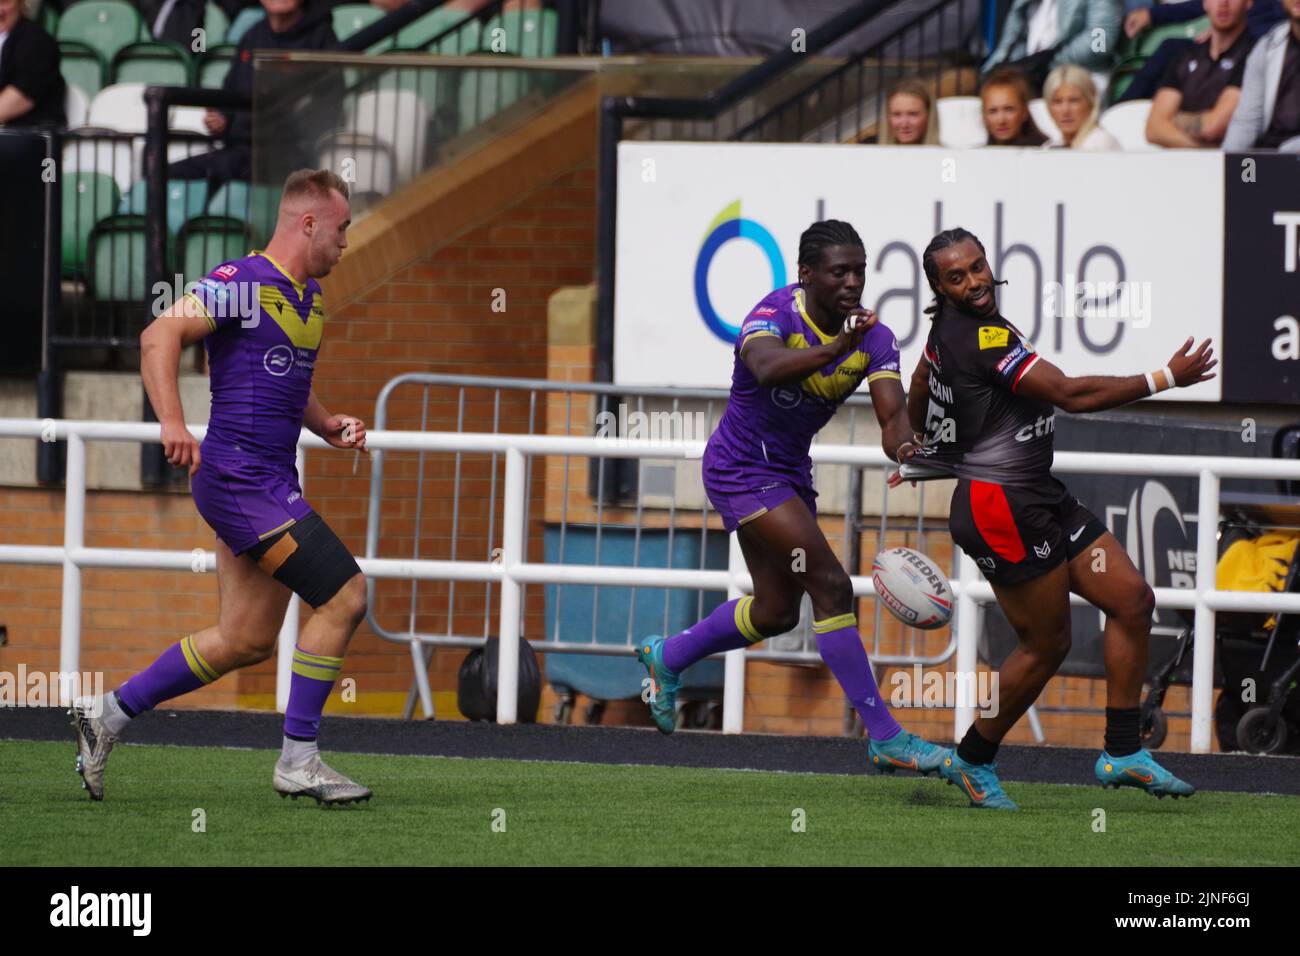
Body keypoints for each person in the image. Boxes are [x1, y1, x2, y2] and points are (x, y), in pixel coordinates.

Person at [70, 169, 374, 806]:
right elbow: (158, 334)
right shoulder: (244, 283)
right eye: (342, 228)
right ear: (309, 224)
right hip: (240, 479)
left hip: (267, 480)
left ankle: (107, 714)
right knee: (345, 594)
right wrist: (173, 422)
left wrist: (326, 424)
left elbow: (286, 383)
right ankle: (299, 761)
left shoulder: (311, 298)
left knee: (246, 639)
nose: (347, 242)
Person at [896, 228, 1214, 810]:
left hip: (1037, 494)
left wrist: (925, 447)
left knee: (1132, 600)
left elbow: (922, 385)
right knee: (1046, 645)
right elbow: (1070, 394)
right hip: (1001, 510)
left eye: (977, 266)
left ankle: (1123, 752)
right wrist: (1166, 377)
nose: (974, 281)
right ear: (939, 288)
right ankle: (972, 759)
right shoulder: (980, 336)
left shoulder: (948, 331)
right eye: (957, 277)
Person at [633, 220, 947, 776]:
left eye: (859, 271)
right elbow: (766, 366)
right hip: (740, 468)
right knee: (831, 585)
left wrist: (907, 451)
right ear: (806, 275)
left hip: (788, 475)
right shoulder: (775, 313)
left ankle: (668, 656)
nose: (853, 282)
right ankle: (886, 736)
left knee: (776, 612)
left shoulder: (875, 339)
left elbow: (892, 420)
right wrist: (837, 346)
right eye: (839, 272)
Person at [168, 0, 339, 194]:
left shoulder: (322, 37)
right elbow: (230, 93)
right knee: (164, 171)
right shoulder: (252, 35)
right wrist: (223, 119)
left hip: (289, 155)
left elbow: (328, 106)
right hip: (240, 151)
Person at [1116, 0, 1280, 104]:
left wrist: (1232, 27)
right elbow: (1203, 4)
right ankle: (1120, 112)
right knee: (1170, 48)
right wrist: (1152, 14)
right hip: (1219, 43)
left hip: (1254, 46)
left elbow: (1285, 19)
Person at [1145, 0, 1254, 146]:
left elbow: (1214, 127)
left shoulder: (1254, 55)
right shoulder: (1186, 56)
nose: (1223, 3)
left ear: (1248, 2)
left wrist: (1173, 119)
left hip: (1235, 158)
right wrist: (1201, 150)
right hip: (1191, 157)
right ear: (1205, 3)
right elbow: (1153, 128)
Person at [982, 0, 1122, 89]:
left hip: (1084, 80)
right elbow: (1010, 44)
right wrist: (989, 74)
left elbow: (1100, 45)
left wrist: (1048, 62)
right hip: (1033, 80)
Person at [1223, 0, 1300, 149]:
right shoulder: (1266, 46)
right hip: (1269, 154)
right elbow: (1247, 121)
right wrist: (1226, 159)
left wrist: (1288, 153)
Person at [0, 0, 65, 128]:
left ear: (21, 4)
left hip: (29, 132)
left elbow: (19, 98)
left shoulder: (36, 41)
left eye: (5, 2)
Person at [1043, 64, 1121, 147]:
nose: (1065, 111)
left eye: (1073, 101)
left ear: (1091, 103)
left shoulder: (1102, 143)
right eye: (1057, 102)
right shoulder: (1048, 147)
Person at [982, 68, 1050, 145]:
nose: (1001, 120)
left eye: (1009, 109)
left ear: (1024, 112)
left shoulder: (1046, 149)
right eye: (993, 111)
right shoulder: (977, 151)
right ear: (984, 116)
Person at [877, 78, 940, 145]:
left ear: (929, 116)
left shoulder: (945, 151)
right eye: (897, 114)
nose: (904, 124)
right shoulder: (870, 148)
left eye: (913, 114)